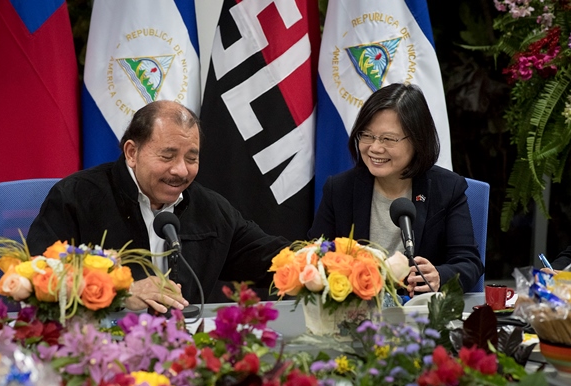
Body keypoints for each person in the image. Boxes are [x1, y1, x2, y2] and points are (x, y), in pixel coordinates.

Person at [27, 100, 290, 312]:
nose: (180, 170)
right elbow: (38, 276)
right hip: (99, 349)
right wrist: (120, 292)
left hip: (184, 349)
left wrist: (319, 262)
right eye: (167, 156)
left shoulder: (210, 208)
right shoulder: (75, 197)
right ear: (132, 152)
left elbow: (269, 256)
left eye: (191, 158)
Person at [308, 83, 483, 295]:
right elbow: (313, 256)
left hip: (421, 315)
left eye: (388, 139)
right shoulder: (340, 189)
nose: (375, 148)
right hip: (356, 312)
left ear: (418, 140)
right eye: (367, 135)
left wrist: (438, 275)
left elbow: (468, 263)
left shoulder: (446, 188)